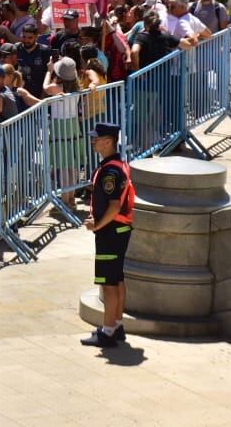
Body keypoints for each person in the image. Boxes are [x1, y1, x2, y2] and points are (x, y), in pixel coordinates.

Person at [80, 122, 135, 348]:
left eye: (97, 138)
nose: (93, 140)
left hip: (110, 231)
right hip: (119, 230)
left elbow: (113, 206)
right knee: (117, 279)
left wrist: (97, 224)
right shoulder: (116, 165)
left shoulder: (110, 171)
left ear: (109, 141)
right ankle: (117, 325)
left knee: (109, 284)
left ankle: (108, 332)